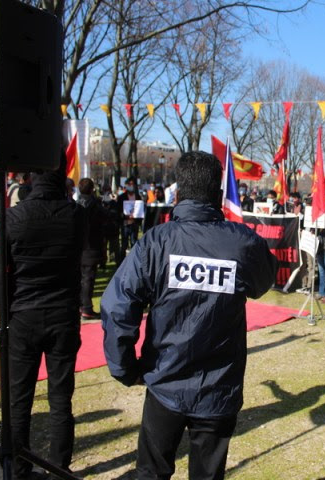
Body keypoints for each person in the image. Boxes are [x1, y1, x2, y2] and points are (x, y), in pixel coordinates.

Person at [101, 151, 277, 479]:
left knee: (152, 473)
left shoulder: (157, 242)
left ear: (178, 192)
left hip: (186, 381)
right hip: (193, 384)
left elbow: (117, 308)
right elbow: (118, 307)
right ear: (218, 193)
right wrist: (126, 369)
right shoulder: (237, 243)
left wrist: (125, 369)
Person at [0, 161, 84, 479]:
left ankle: (19, 469)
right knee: (60, 398)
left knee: (19, 399)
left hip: (23, 316)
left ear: (31, 178)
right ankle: (60, 468)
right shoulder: (75, 215)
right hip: (62, 315)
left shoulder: (14, 217)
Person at [77, 178, 111, 320]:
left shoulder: (76, 204)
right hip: (91, 245)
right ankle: (86, 308)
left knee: (82, 278)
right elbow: (106, 217)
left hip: (80, 246)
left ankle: (82, 306)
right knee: (88, 279)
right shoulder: (94, 205)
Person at [117, 176, 142, 264]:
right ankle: (121, 263)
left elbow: (140, 210)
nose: (131, 186)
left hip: (134, 224)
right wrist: (124, 216)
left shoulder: (138, 197)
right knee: (124, 244)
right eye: (129, 184)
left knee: (134, 243)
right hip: (125, 224)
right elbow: (118, 211)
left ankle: (134, 262)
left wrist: (137, 217)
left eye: (132, 184)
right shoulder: (121, 197)